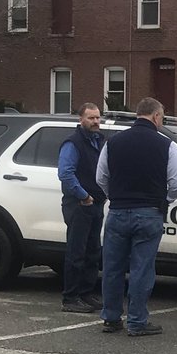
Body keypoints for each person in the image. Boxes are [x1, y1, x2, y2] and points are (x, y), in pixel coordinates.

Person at [95, 97, 177, 337]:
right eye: (162, 117)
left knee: (112, 267)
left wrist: (115, 196)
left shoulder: (113, 142)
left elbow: (101, 177)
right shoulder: (166, 145)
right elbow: (176, 182)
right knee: (142, 268)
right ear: (155, 116)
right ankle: (137, 321)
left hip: (118, 211)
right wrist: (165, 200)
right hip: (149, 211)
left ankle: (111, 318)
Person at [56, 103, 106, 313]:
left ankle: (86, 293)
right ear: (81, 120)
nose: (95, 122)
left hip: (96, 203)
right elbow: (65, 173)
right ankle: (70, 298)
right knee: (77, 251)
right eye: (91, 118)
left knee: (93, 251)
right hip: (79, 203)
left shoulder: (100, 141)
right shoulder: (73, 143)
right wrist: (83, 196)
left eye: (97, 118)